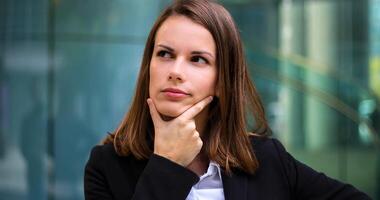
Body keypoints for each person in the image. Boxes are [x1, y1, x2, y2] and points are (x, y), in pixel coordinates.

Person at [84, 0, 371, 199]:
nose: (175, 71)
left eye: (197, 59)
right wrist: (167, 165)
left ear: (222, 81)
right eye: (165, 54)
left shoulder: (268, 160)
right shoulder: (106, 166)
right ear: (149, 67)